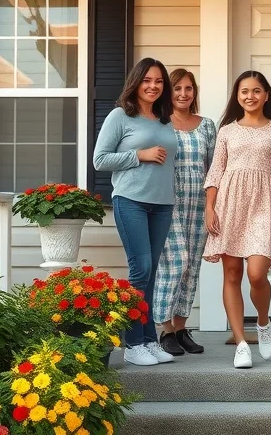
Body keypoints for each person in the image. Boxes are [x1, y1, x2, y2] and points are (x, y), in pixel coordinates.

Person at [202, 71, 271, 369]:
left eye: (256, 91)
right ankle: (241, 343)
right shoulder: (227, 131)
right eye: (244, 91)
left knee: (257, 273)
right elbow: (216, 171)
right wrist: (210, 207)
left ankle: (264, 322)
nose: (250, 96)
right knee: (231, 274)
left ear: (266, 95)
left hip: (264, 205)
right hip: (229, 204)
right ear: (237, 96)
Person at [93, 57, 178, 367]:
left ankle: (149, 340)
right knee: (140, 269)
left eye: (158, 81)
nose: (153, 86)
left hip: (163, 204)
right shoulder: (120, 116)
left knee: (152, 271)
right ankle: (132, 344)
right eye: (147, 81)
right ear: (136, 83)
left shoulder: (164, 120)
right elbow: (100, 160)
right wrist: (139, 155)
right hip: (131, 200)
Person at [153, 69, 217, 356]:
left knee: (191, 267)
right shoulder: (159, 123)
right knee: (174, 263)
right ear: (169, 91)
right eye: (177, 88)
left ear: (194, 92)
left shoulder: (207, 126)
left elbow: (215, 169)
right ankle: (164, 329)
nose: (183, 94)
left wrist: (215, 207)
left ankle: (180, 328)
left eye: (188, 88)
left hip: (201, 203)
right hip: (169, 201)